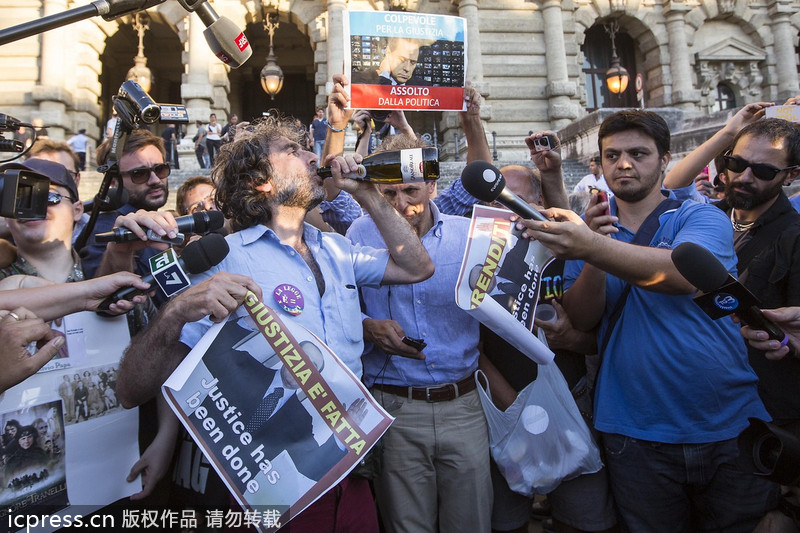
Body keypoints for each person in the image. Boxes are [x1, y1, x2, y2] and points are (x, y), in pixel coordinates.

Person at [115, 107, 433, 530]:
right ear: (260, 182)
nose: (312, 156)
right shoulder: (228, 257)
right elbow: (132, 389)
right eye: (293, 150)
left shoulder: (335, 249)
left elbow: (416, 267)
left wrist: (367, 193)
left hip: (351, 470)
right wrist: (175, 311)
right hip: (278, 482)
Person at [518, 109, 776, 532]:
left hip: (725, 422)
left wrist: (590, 247)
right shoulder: (590, 233)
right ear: (598, 165)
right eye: (612, 155)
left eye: (639, 153)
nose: (624, 164)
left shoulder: (701, 216)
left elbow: (682, 275)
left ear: (664, 159)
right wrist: (594, 249)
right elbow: (583, 320)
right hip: (632, 431)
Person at [81, 129, 171, 281]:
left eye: (160, 169)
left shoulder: (162, 222)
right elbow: (96, 296)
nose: (155, 180)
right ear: (114, 182)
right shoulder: (105, 228)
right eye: (139, 174)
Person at [0, 159, 83, 283]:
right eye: (18, 199)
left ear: (77, 210)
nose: (32, 207)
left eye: (49, 196)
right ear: (7, 218)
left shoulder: (103, 271)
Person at [352, 37, 423, 86]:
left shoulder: (424, 86)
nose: (407, 69)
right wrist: (384, 76)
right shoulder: (361, 79)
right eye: (402, 60)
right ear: (388, 52)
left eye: (412, 62)